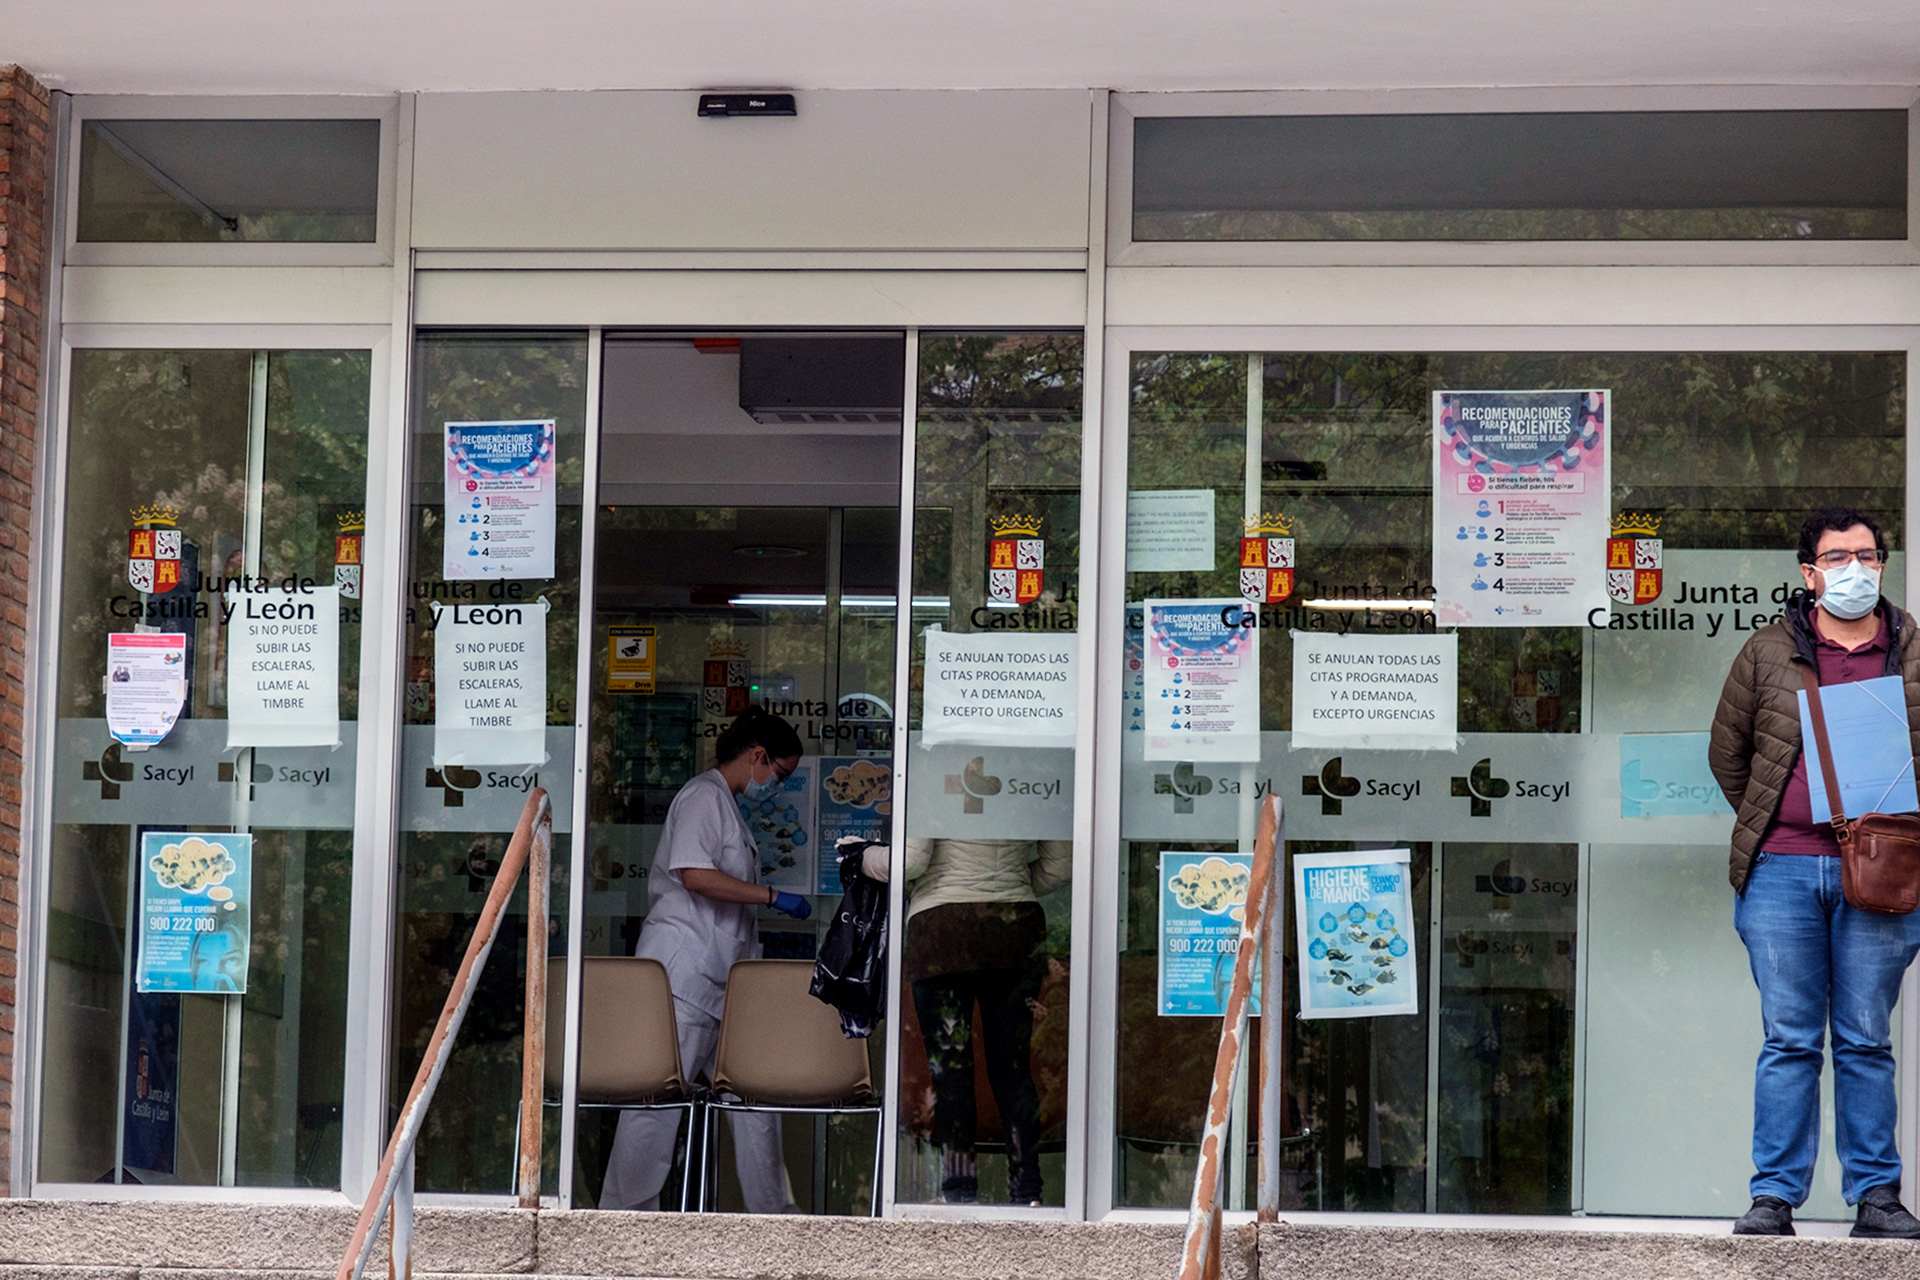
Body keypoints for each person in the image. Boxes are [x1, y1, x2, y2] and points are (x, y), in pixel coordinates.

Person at [1709, 507, 1920, 1238]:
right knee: (1790, 1040)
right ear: (1809, 572)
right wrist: (1778, 817)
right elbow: (1728, 754)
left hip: (1884, 872)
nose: (1854, 569)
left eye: (1867, 555)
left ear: (1883, 564)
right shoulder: (1768, 651)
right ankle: (1774, 1197)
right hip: (1782, 870)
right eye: (1837, 558)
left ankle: (1877, 1198)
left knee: (1865, 1039)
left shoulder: (1913, 648)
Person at [601, 706, 813, 1212]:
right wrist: (770, 897)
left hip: (720, 982)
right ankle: (624, 1217)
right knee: (657, 1102)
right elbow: (695, 875)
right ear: (757, 756)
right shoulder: (702, 796)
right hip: (684, 976)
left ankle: (774, 1217)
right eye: (781, 774)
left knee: (753, 1095)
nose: (779, 786)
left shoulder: (727, 805)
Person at [866, 836, 1069, 1204]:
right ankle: (1027, 1191)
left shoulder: (932, 792)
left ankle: (959, 1192)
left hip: (943, 929)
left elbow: (911, 862)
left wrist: (864, 857)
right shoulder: (1033, 795)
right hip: (1015, 928)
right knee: (1013, 1070)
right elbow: (1060, 865)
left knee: (951, 1070)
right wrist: (1009, 883)